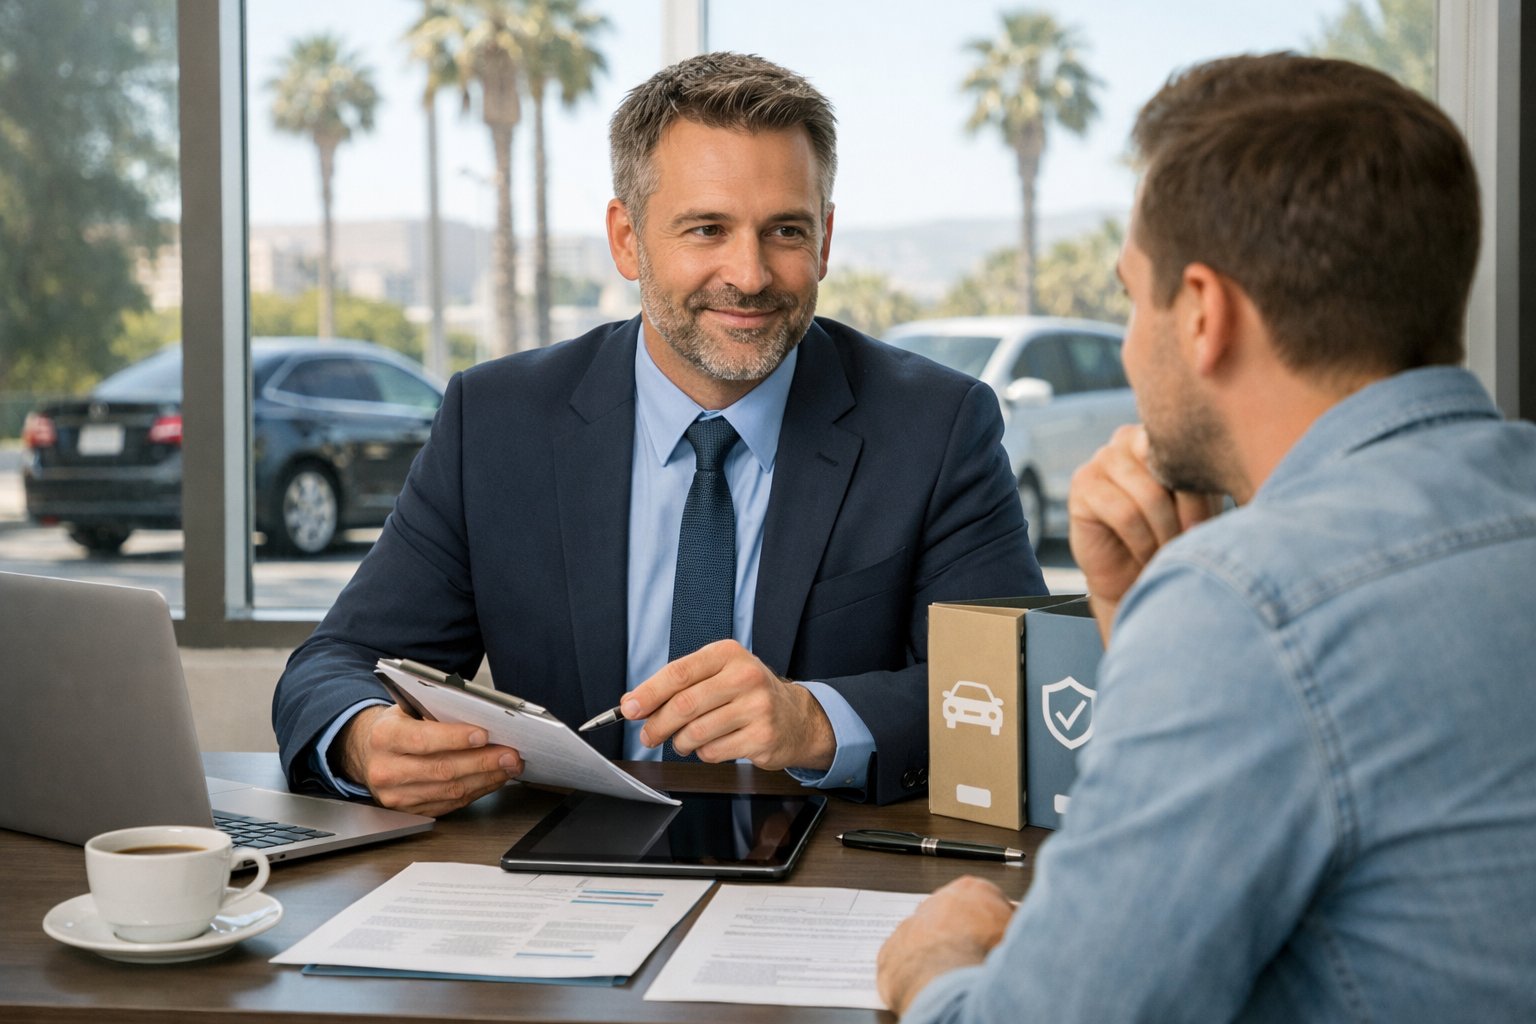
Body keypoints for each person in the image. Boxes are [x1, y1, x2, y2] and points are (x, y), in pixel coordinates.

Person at [876, 52, 1536, 1021]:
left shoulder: (1248, 607)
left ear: (1201, 313)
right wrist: (1136, 620)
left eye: (1132, 297)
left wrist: (932, 963)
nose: (1129, 344)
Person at [271, 52, 1043, 816]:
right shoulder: (496, 421)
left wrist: (813, 723)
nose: (749, 274)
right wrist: (363, 741)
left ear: (826, 240)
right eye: (707, 229)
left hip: (829, 878)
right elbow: (333, 665)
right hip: (564, 876)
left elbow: (1013, 683)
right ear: (626, 239)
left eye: (784, 231)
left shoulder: (937, 427)